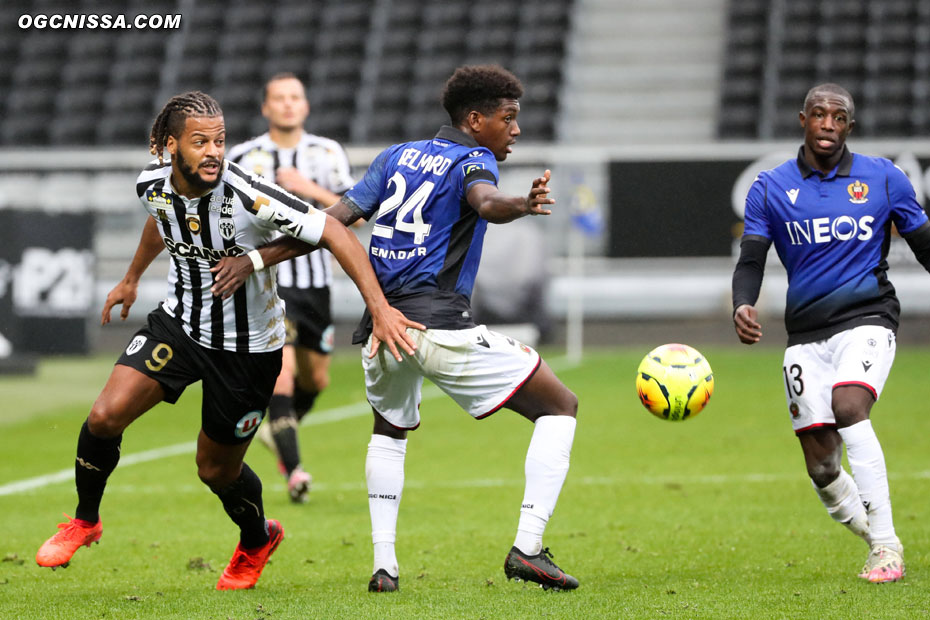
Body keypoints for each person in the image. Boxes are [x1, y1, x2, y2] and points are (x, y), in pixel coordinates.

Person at [34, 91, 421, 590]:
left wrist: (379, 308)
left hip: (248, 348)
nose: (215, 150)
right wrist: (131, 278)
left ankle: (257, 538)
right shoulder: (151, 182)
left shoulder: (247, 193)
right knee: (105, 416)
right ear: (169, 146)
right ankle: (85, 521)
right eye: (201, 142)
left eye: (220, 140)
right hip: (181, 323)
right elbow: (163, 217)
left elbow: (335, 232)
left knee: (215, 469)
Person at [330, 64, 579, 592]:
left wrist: (258, 259)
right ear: (475, 119)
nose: (515, 129)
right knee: (560, 406)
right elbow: (486, 203)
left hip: (382, 327)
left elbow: (331, 222)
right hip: (437, 325)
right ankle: (528, 548)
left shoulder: (396, 155)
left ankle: (384, 566)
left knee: (389, 431)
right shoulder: (473, 157)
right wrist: (523, 204)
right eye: (507, 118)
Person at [732, 83, 930, 583]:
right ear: (803, 119)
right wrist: (743, 304)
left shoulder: (884, 178)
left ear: (849, 126)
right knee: (821, 467)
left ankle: (886, 548)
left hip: (868, 318)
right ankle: (876, 536)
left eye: (838, 117)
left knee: (849, 407)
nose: (827, 124)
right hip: (804, 336)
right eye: (818, 114)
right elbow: (752, 258)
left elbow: (925, 244)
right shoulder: (771, 187)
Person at [227, 73, 354, 504]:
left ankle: (280, 432)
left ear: (305, 106)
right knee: (281, 376)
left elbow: (353, 213)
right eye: (278, 98)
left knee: (316, 379)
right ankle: (295, 469)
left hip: (315, 282)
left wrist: (305, 189)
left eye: (294, 97)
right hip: (269, 281)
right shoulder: (243, 155)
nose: (286, 104)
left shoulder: (326, 152)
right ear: (265, 107)